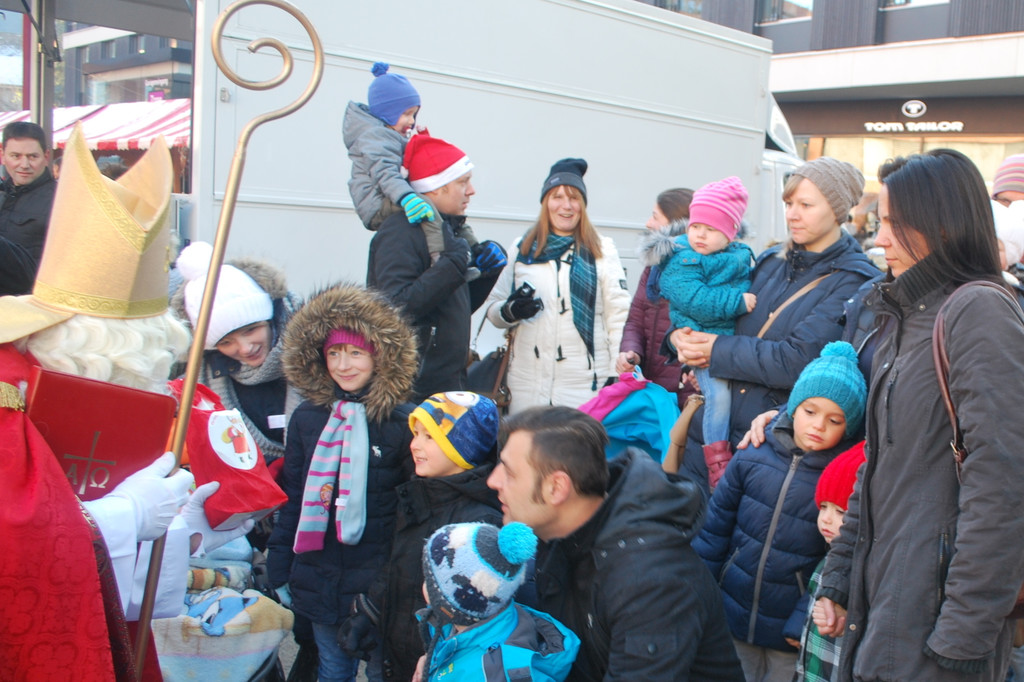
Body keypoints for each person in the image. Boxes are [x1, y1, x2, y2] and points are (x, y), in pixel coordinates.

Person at [0, 124, 249, 680]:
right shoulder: (8, 396)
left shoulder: (64, 373)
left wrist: (180, 531)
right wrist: (124, 516)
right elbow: (15, 551)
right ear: (101, 348)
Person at [814, 149, 1024, 681]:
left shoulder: (978, 311)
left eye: (894, 224)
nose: (880, 239)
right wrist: (839, 579)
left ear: (942, 225)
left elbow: (1002, 483)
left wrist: (964, 632)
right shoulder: (905, 316)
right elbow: (876, 466)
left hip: (936, 619)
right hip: (887, 598)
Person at [488, 405, 745, 681]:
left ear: (557, 488)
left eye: (510, 473)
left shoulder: (651, 582)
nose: (493, 480)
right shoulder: (560, 534)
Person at [671, 157, 878, 495]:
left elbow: (797, 359)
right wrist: (680, 339)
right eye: (788, 203)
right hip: (708, 439)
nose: (792, 214)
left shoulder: (854, 279)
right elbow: (719, 317)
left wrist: (715, 351)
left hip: (763, 448)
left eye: (805, 205)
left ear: (837, 210)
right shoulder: (770, 261)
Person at [266, 283, 419, 682]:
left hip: (379, 583)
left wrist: (399, 582)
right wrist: (279, 567)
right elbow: (294, 497)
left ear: (380, 355)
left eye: (355, 353)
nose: (343, 365)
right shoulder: (308, 418)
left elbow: (414, 513)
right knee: (332, 669)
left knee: (382, 671)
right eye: (334, 353)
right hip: (320, 575)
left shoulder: (403, 422)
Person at [693, 341, 866, 682]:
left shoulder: (841, 478)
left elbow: (834, 559)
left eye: (834, 420)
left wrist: (804, 616)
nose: (818, 425)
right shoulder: (753, 453)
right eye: (810, 411)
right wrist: (699, 588)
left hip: (789, 628)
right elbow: (715, 527)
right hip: (731, 609)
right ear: (794, 408)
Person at [339, 391, 503, 681]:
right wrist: (370, 611)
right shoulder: (420, 495)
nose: (414, 444)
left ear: (463, 446)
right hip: (399, 652)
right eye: (416, 434)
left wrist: (438, 656)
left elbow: (478, 613)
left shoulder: (480, 520)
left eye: (430, 436)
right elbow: (398, 563)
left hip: (440, 664)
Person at [484, 158, 631, 412]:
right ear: (545, 202)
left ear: (583, 204)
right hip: (526, 384)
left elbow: (618, 315)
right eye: (557, 197)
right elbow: (492, 306)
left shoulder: (602, 249)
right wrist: (511, 311)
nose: (566, 206)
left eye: (574, 198)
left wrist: (615, 374)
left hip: (585, 385)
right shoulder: (522, 247)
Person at [367, 133, 505, 400]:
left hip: (446, 385)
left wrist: (486, 274)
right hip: (413, 393)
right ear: (434, 188)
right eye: (462, 182)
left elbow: (448, 310)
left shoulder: (447, 230)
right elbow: (394, 308)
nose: (471, 190)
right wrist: (452, 266)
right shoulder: (401, 231)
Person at [659, 176, 756, 489]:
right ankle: (717, 462)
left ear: (729, 234)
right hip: (700, 340)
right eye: (696, 225)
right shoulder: (683, 258)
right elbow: (696, 301)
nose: (700, 234)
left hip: (726, 344)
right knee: (719, 398)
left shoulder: (738, 256)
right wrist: (737, 302)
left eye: (711, 229)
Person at [173, 240, 304, 464]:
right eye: (226, 342)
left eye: (251, 330)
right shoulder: (197, 383)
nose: (245, 348)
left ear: (270, 318)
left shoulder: (321, 356)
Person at [344, 62, 479, 268]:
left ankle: (475, 251)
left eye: (414, 114)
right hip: (375, 203)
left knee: (444, 210)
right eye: (406, 114)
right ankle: (441, 260)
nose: (411, 121)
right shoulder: (375, 137)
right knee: (427, 205)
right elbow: (385, 174)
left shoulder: (390, 135)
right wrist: (407, 197)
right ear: (387, 111)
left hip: (388, 195)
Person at [414, 521, 580, 682]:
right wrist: (435, 664)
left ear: (452, 603)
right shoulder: (462, 620)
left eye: (429, 580)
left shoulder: (494, 673)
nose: (423, 582)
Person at [791, 441, 864, 682]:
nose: (826, 520)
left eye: (841, 512)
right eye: (824, 507)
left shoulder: (865, 573)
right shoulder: (828, 560)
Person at [616, 187, 693, 402]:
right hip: (650, 388)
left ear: (675, 223)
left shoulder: (699, 269)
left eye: (655, 217)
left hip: (686, 393)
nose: (649, 223)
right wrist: (631, 352)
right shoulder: (654, 267)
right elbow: (636, 320)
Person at [0, 121, 57, 295]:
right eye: (16, 156)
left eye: (32, 156)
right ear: (2, 155)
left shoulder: (61, 200)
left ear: (46, 156)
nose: (24, 164)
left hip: (33, 302)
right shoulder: (2, 193)